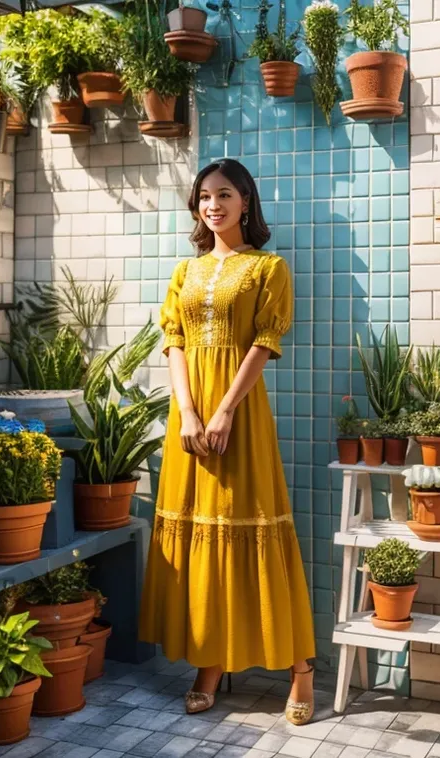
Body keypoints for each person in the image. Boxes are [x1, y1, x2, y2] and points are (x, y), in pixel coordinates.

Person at [139, 158, 315, 725]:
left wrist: (223, 412)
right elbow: (175, 344)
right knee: (201, 534)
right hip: (189, 419)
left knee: (255, 524)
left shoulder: (268, 267)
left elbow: (262, 343)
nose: (213, 205)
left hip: (239, 416)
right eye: (204, 197)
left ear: (246, 202)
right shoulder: (184, 273)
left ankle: (300, 668)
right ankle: (211, 663)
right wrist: (188, 413)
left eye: (225, 195)